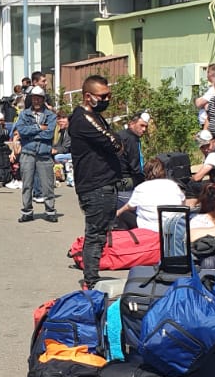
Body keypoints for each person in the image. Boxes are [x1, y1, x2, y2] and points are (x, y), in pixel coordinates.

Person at [69, 74, 125, 289]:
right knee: (95, 234)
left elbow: (115, 142)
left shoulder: (95, 117)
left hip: (103, 184)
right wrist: (116, 141)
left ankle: (92, 278)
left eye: (108, 95)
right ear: (87, 96)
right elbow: (114, 143)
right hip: (96, 186)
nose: (106, 100)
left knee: (100, 233)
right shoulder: (84, 119)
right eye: (102, 96)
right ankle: (91, 281)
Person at [10, 86, 58, 223]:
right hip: (27, 153)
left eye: (39, 98)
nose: (36, 101)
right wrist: (38, 128)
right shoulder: (24, 114)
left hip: (44, 153)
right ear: (31, 99)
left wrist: (30, 134)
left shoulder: (51, 115)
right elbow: (21, 131)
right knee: (27, 184)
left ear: (43, 99)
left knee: (47, 185)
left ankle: (50, 211)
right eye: (34, 98)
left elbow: (49, 134)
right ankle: (27, 211)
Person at [117, 159, 186, 232]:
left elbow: (130, 206)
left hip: (147, 227)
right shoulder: (173, 185)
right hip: (172, 226)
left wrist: (118, 212)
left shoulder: (141, 187)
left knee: (123, 214)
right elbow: (183, 202)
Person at [116, 112, 150, 185]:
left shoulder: (121, 134)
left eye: (146, 126)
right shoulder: (132, 139)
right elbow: (136, 167)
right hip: (125, 179)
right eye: (141, 125)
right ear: (132, 124)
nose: (144, 129)